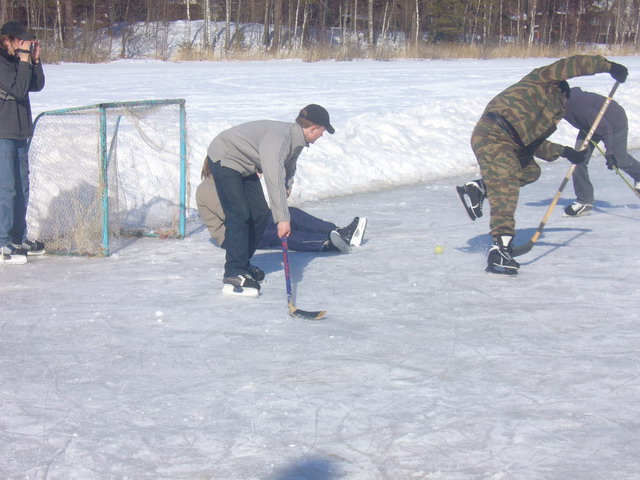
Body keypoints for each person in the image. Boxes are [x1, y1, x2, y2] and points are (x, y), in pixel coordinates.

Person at [456, 55, 628, 275]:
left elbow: (533, 144)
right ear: (563, 93)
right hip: (494, 134)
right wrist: (608, 66)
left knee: (530, 171)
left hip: (509, 140)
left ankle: (480, 188)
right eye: (564, 102)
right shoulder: (543, 80)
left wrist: (565, 152)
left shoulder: (548, 115)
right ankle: (500, 249)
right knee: (506, 187)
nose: (563, 108)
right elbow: (570, 65)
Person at [207, 104, 335, 296]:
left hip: (245, 163)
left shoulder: (296, 140)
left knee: (260, 214)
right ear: (313, 128)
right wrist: (282, 219)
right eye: (322, 131)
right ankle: (234, 272)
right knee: (239, 215)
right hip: (225, 156)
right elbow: (273, 177)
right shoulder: (280, 139)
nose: (322, 136)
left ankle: (242, 264)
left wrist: (287, 184)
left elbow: (288, 166)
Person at [196, 161, 367, 253]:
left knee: (288, 214)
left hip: (252, 223)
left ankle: (339, 232)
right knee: (278, 234)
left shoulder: (229, 183)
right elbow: (233, 216)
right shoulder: (207, 188)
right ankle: (327, 242)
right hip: (233, 236)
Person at [0, 21, 45, 265]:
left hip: (19, 132)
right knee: (6, 189)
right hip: (3, 134)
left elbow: (35, 85)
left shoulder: (18, 61)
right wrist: (25, 61)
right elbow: (18, 90)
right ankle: (3, 241)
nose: (22, 45)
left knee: (22, 187)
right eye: (18, 41)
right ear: (6, 40)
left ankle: (18, 237)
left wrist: (35, 61)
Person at [562, 86, 640, 216]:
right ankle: (584, 201)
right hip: (589, 125)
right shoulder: (555, 106)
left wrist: (610, 153)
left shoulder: (578, 108)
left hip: (613, 122)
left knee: (619, 160)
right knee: (577, 159)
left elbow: (605, 128)